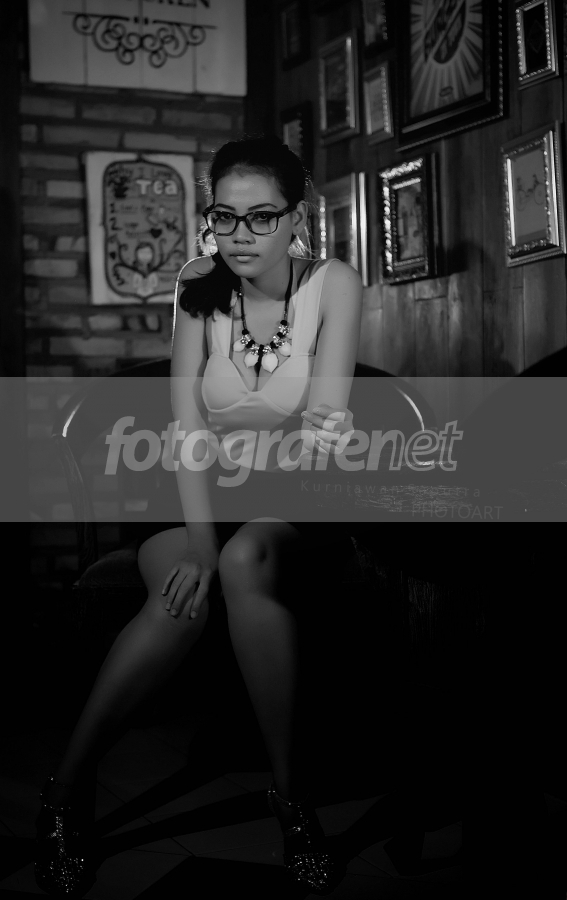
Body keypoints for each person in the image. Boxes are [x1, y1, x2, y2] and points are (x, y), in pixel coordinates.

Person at [34, 135, 363, 896]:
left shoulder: (334, 283)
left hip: (295, 490)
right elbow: (184, 424)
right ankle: (66, 791)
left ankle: (291, 798)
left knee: (247, 560)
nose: (241, 234)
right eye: (225, 216)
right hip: (191, 484)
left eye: (262, 216)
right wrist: (201, 544)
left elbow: (323, 421)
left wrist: (319, 438)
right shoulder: (196, 283)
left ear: (297, 216)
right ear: (209, 218)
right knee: (182, 597)